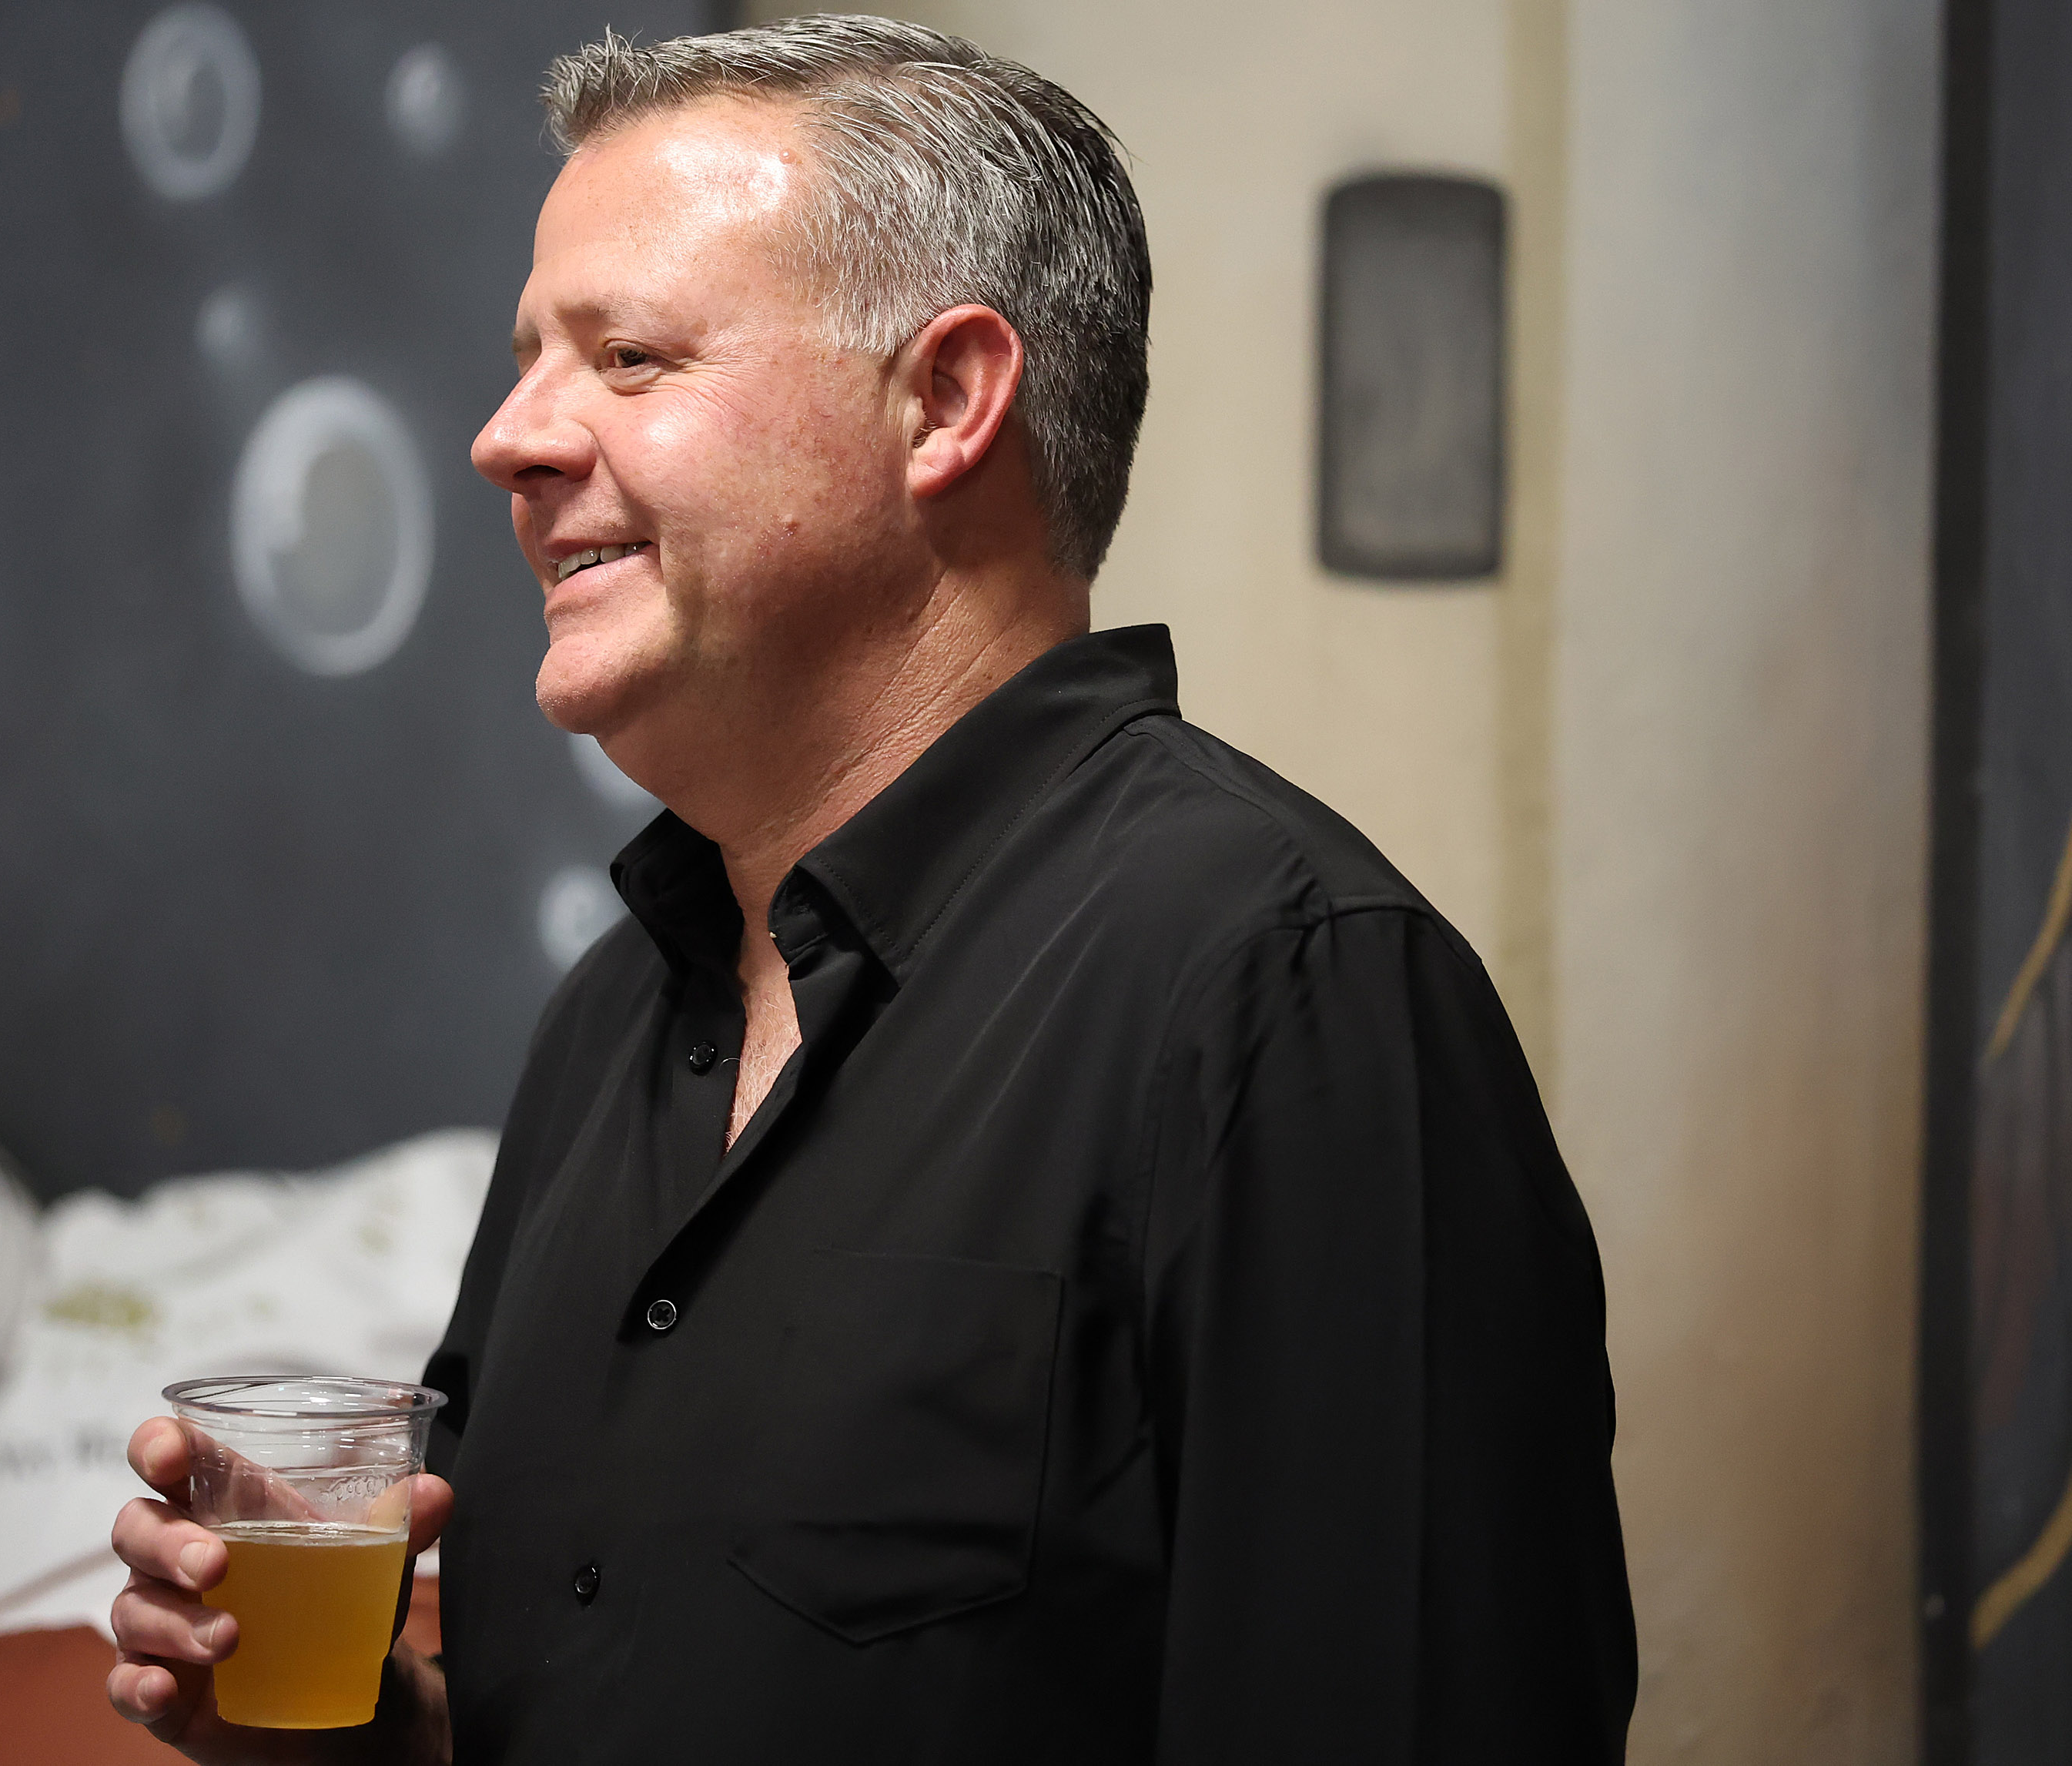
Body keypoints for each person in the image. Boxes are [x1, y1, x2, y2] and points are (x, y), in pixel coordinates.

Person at [105, 16, 1636, 1763]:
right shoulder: (611, 1023)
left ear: (947, 403)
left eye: (626, 357)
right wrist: (374, 1736)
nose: (507, 439)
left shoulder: (1282, 991)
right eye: (528, 360)